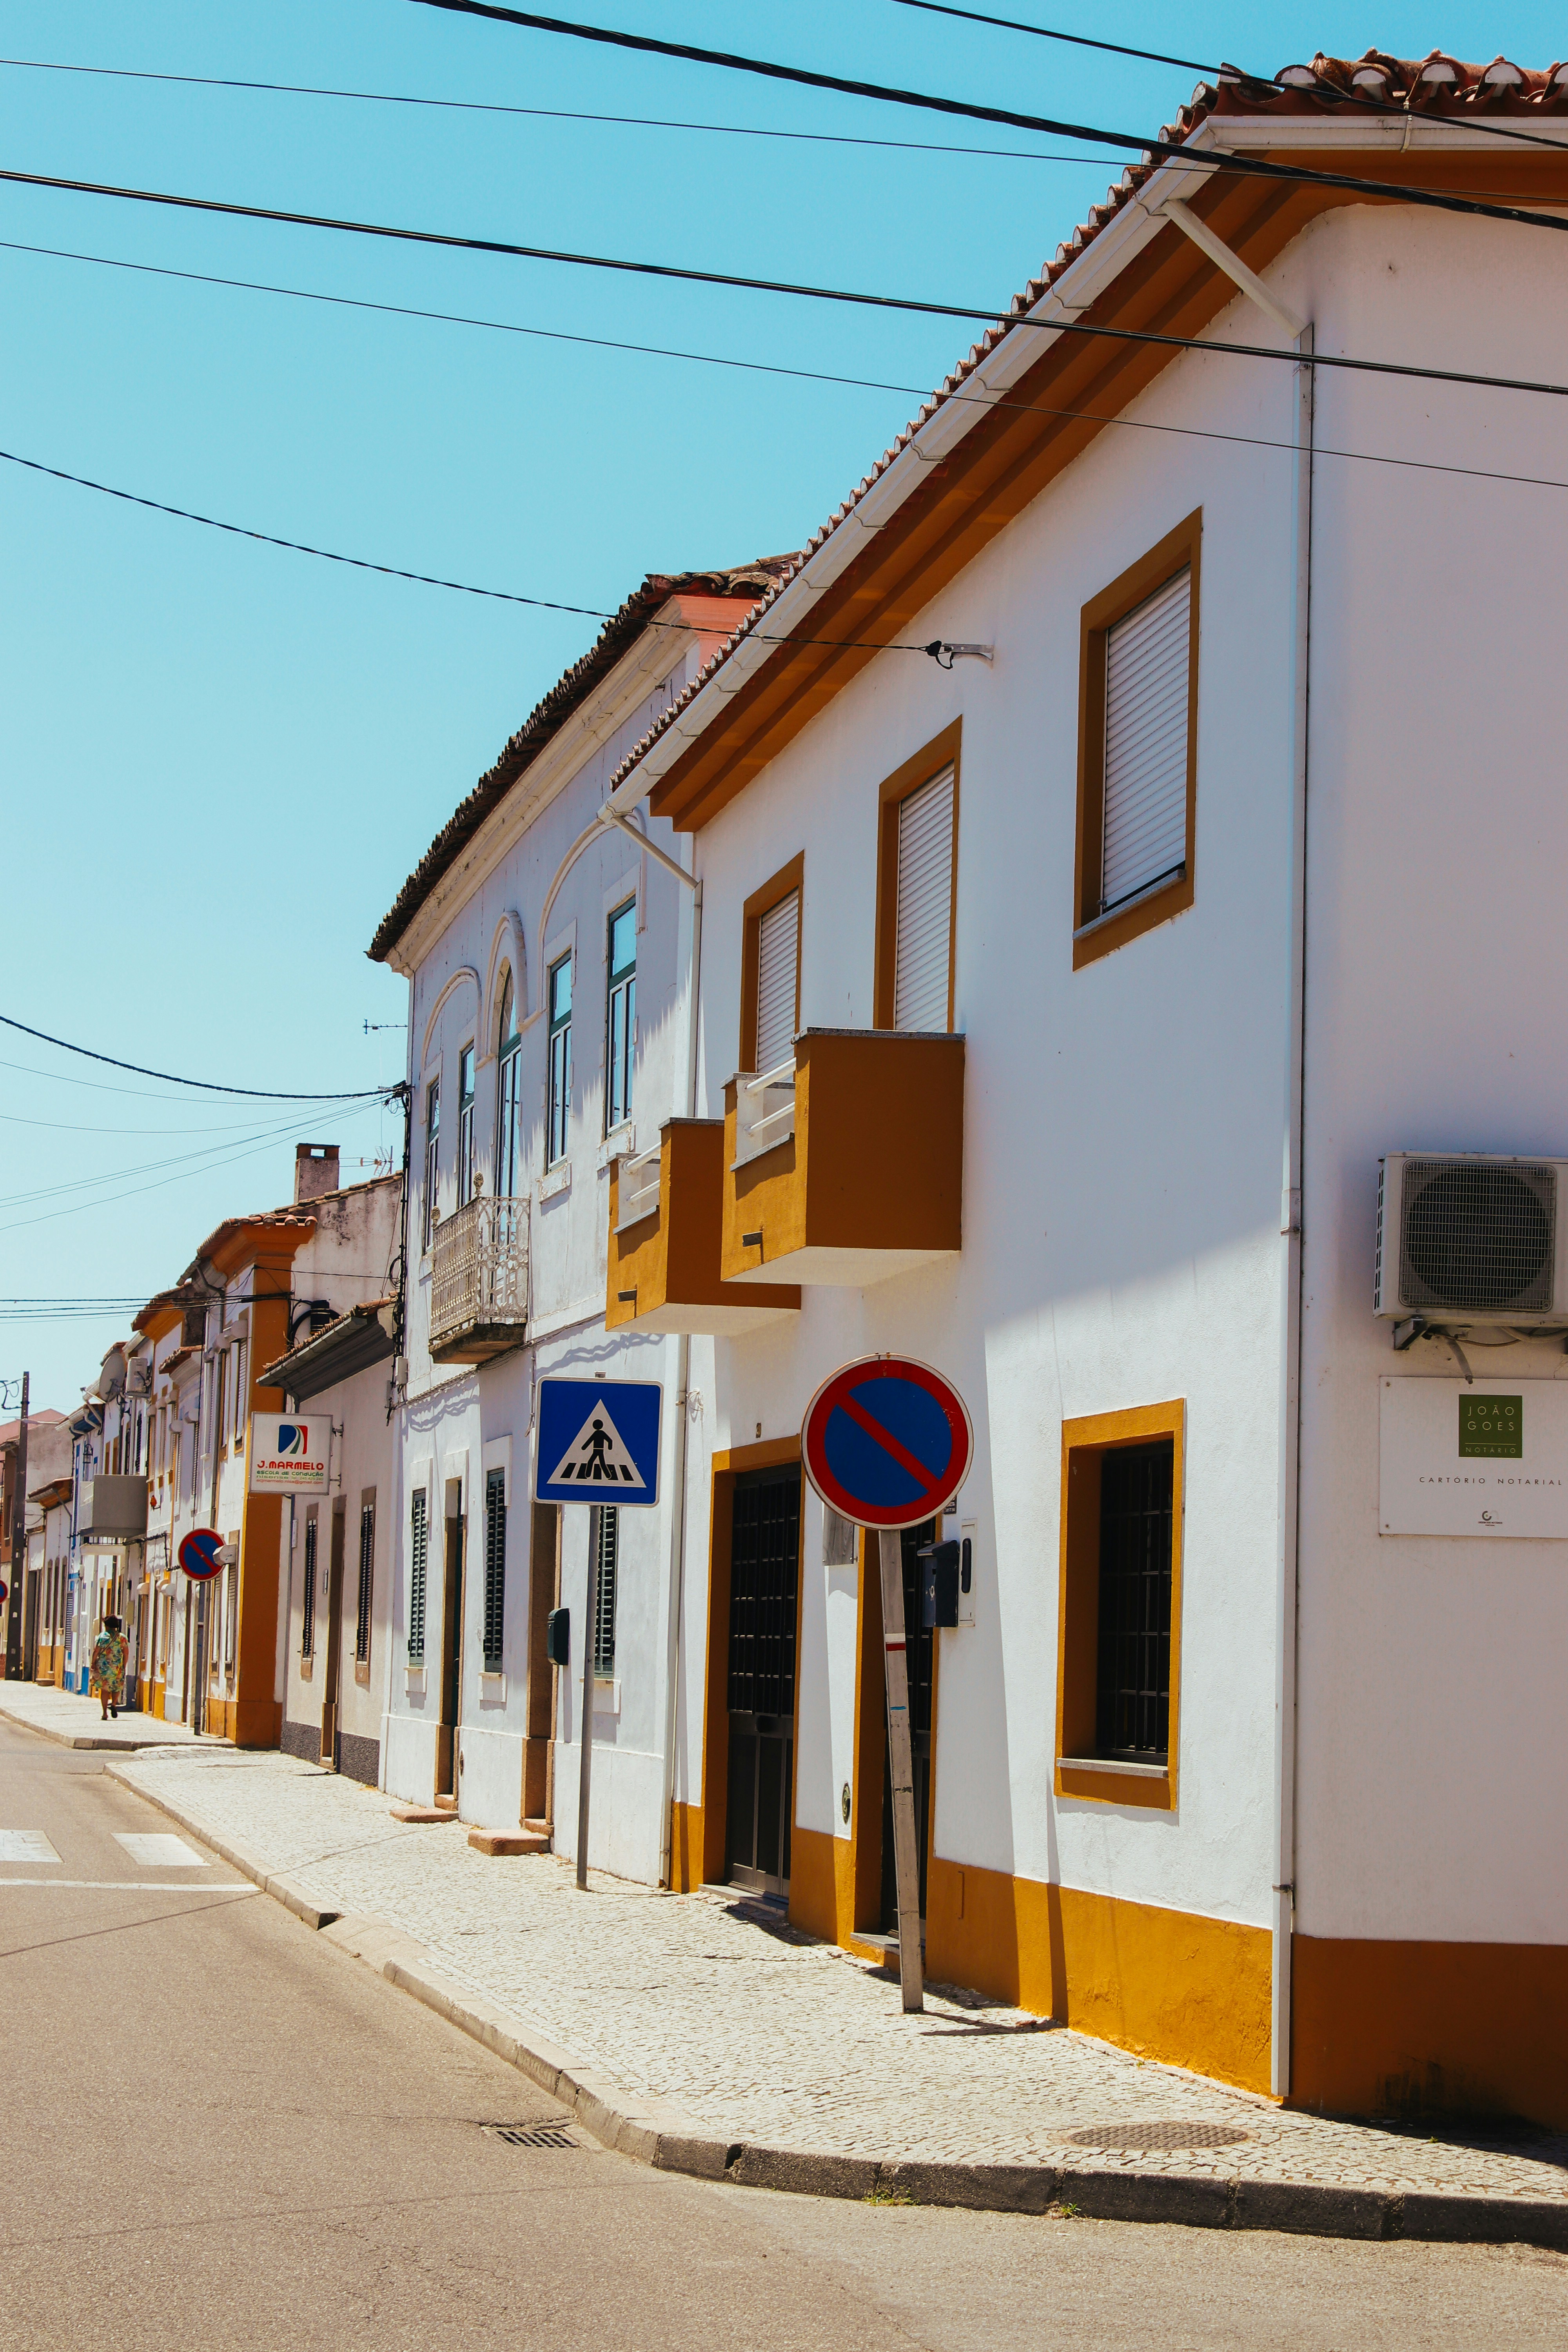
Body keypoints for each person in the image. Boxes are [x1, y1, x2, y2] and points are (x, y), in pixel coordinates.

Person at [90, 1613, 128, 1721]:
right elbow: (126, 1653)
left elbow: (96, 1651)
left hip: (104, 1668)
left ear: (107, 1626)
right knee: (117, 1687)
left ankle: (105, 1714)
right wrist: (123, 1666)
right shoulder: (122, 1638)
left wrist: (93, 1663)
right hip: (117, 1668)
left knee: (105, 1690)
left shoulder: (103, 1636)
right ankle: (114, 1704)